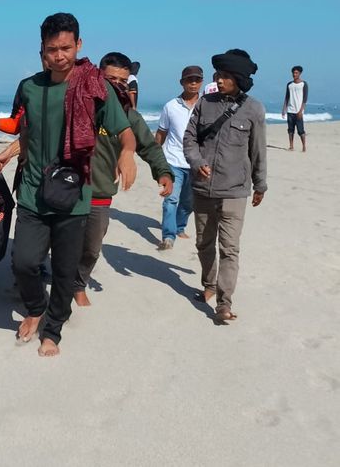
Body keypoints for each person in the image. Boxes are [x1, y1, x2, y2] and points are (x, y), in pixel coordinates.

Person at [0, 13, 136, 357]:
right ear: (41, 51)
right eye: (52, 49)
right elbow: (25, 130)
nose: (60, 55)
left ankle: (54, 329)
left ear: (79, 45)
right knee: (24, 263)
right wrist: (8, 153)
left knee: (64, 269)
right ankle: (35, 307)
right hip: (33, 189)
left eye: (66, 47)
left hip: (74, 193)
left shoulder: (94, 85)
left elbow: (124, 130)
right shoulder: (29, 87)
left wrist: (128, 154)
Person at [73, 52, 173, 306]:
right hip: (68, 189)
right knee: (55, 240)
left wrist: (163, 172)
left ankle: (78, 283)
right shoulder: (79, 104)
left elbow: (150, 147)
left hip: (100, 192)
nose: (117, 85)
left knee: (92, 248)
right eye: (111, 79)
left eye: (122, 81)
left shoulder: (129, 117)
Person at [183, 49, 266, 322]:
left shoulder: (254, 109)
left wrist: (260, 184)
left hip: (235, 191)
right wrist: (196, 162)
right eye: (218, 76)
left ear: (239, 79)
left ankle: (223, 303)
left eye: (226, 77)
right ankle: (208, 284)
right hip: (203, 188)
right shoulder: (205, 103)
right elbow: (190, 139)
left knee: (229, 248)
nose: (219, 81)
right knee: (204, 243)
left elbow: (258, 151)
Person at [154, 65, 204, 250]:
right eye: (189, 80)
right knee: (170, 200)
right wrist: (155, 159)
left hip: (196, 163)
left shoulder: (206, 105)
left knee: (188, 202)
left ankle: (180, 226)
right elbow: (161, 133)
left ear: (201, 82)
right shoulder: (171, 106)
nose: (193, 83)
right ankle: (168, 236)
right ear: (181, 82)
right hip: (173, 160)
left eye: (197, 80)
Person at [281, 65, 309, 152]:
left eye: (296, 73)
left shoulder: (303, 84)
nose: (294, 74)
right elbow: (286, 97)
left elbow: (305, 99)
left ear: (300, 73)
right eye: (293, 72)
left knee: (301, 130)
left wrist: (301, 110)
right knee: (290, 130)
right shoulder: (289, 84)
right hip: (290, 110)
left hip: (299, 111)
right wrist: (284, 109)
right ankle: (291, 146)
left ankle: (304, 146)